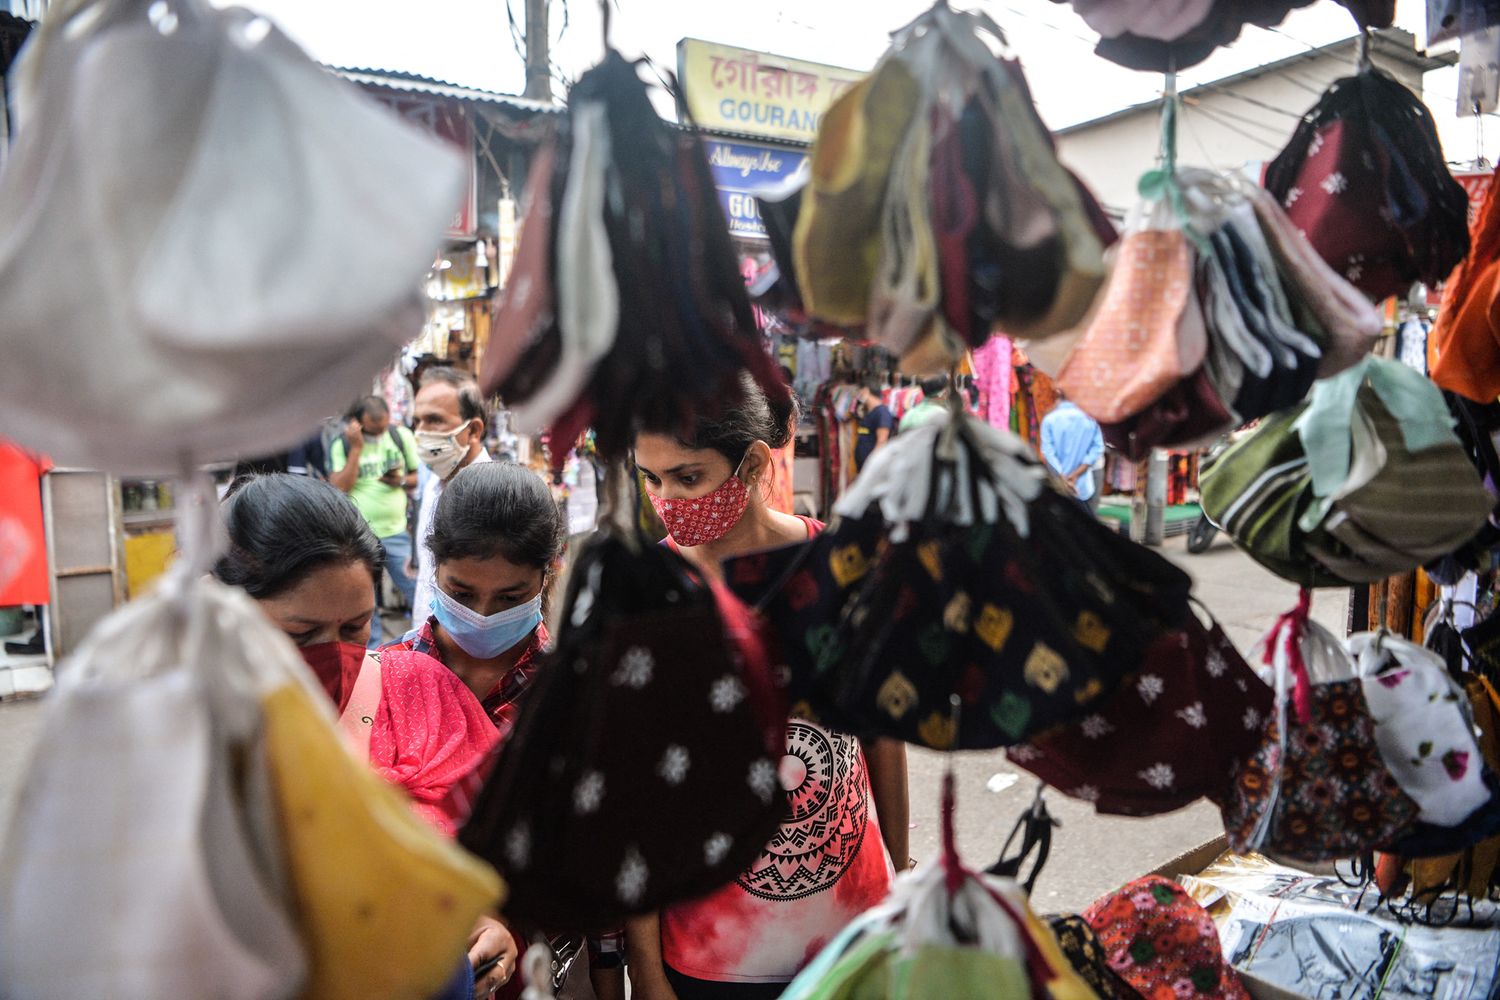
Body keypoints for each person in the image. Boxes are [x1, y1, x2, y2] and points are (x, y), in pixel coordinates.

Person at [629, 375, 910, 1000]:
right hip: (711, 960)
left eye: (687, 477)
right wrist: (645, 969)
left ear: (752, 462)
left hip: (853, 938)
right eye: (651, 478)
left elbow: (881, 735)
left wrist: (902, 868)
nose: (666, 499)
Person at [212, 473, 517, 998]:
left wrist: (488, 925)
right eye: (301, 635)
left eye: (355, 627)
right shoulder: (186, 739)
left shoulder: (421, 690)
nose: (333, 654)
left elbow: (485, 855)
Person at [386, 462, 625, 1000]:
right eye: (461, 592)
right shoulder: (381, 682)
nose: (483, 615)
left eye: (511, 597)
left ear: (550, 574)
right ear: (434, 567)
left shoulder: (579, 696)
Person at [328, 395, 420, 646]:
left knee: (416, 589)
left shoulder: (401, 437)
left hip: (396, 532)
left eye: (383, 428)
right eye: (372, 430)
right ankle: (373, 650)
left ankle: (425, 638)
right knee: (366, 599)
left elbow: (417, 477)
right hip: (359, 536)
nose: (379, 435)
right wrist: (356, 448)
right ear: (357, 424)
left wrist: (398, 480)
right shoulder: (343, 445)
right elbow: (339, 487)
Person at [409, 367, 494, 628]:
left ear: (473, 430)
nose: (421, 433)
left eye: (434, 420)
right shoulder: (435, 483)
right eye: (417, 422)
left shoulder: (493, 498)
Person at [1041, 391, 1105, 508]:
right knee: (1088, 519)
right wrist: (1076, 474)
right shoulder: (1091, 418)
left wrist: (1062, 476)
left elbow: (1047, 452)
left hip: (1058, 483)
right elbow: (1098, 447)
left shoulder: (1049, 419)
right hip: (1086, 481)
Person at [853, 377, 894, 473]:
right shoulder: (868, 412)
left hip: (872, 469)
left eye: (860, 391)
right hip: (863, 468)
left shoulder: (882, 413)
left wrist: (872, 466)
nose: (859, 395)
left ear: (866, 390)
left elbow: (882, 441)